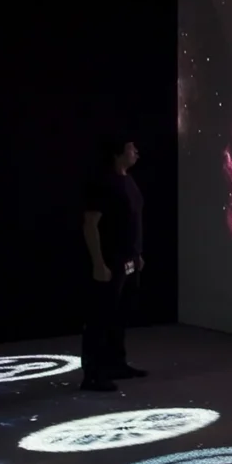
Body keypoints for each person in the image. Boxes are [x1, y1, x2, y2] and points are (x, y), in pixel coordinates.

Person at [81, 135, 146, 392]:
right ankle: (93, 374)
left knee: (120, 315)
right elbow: (90, 224)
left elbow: (133, 220)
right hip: (111, 261)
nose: (136, 152)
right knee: (101, 317)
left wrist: (137, 255)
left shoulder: (128, 180)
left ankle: (116, 364)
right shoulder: (103, 182)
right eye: (131, 148)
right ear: (118, 153)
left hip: (129, 260)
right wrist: (98, 262)